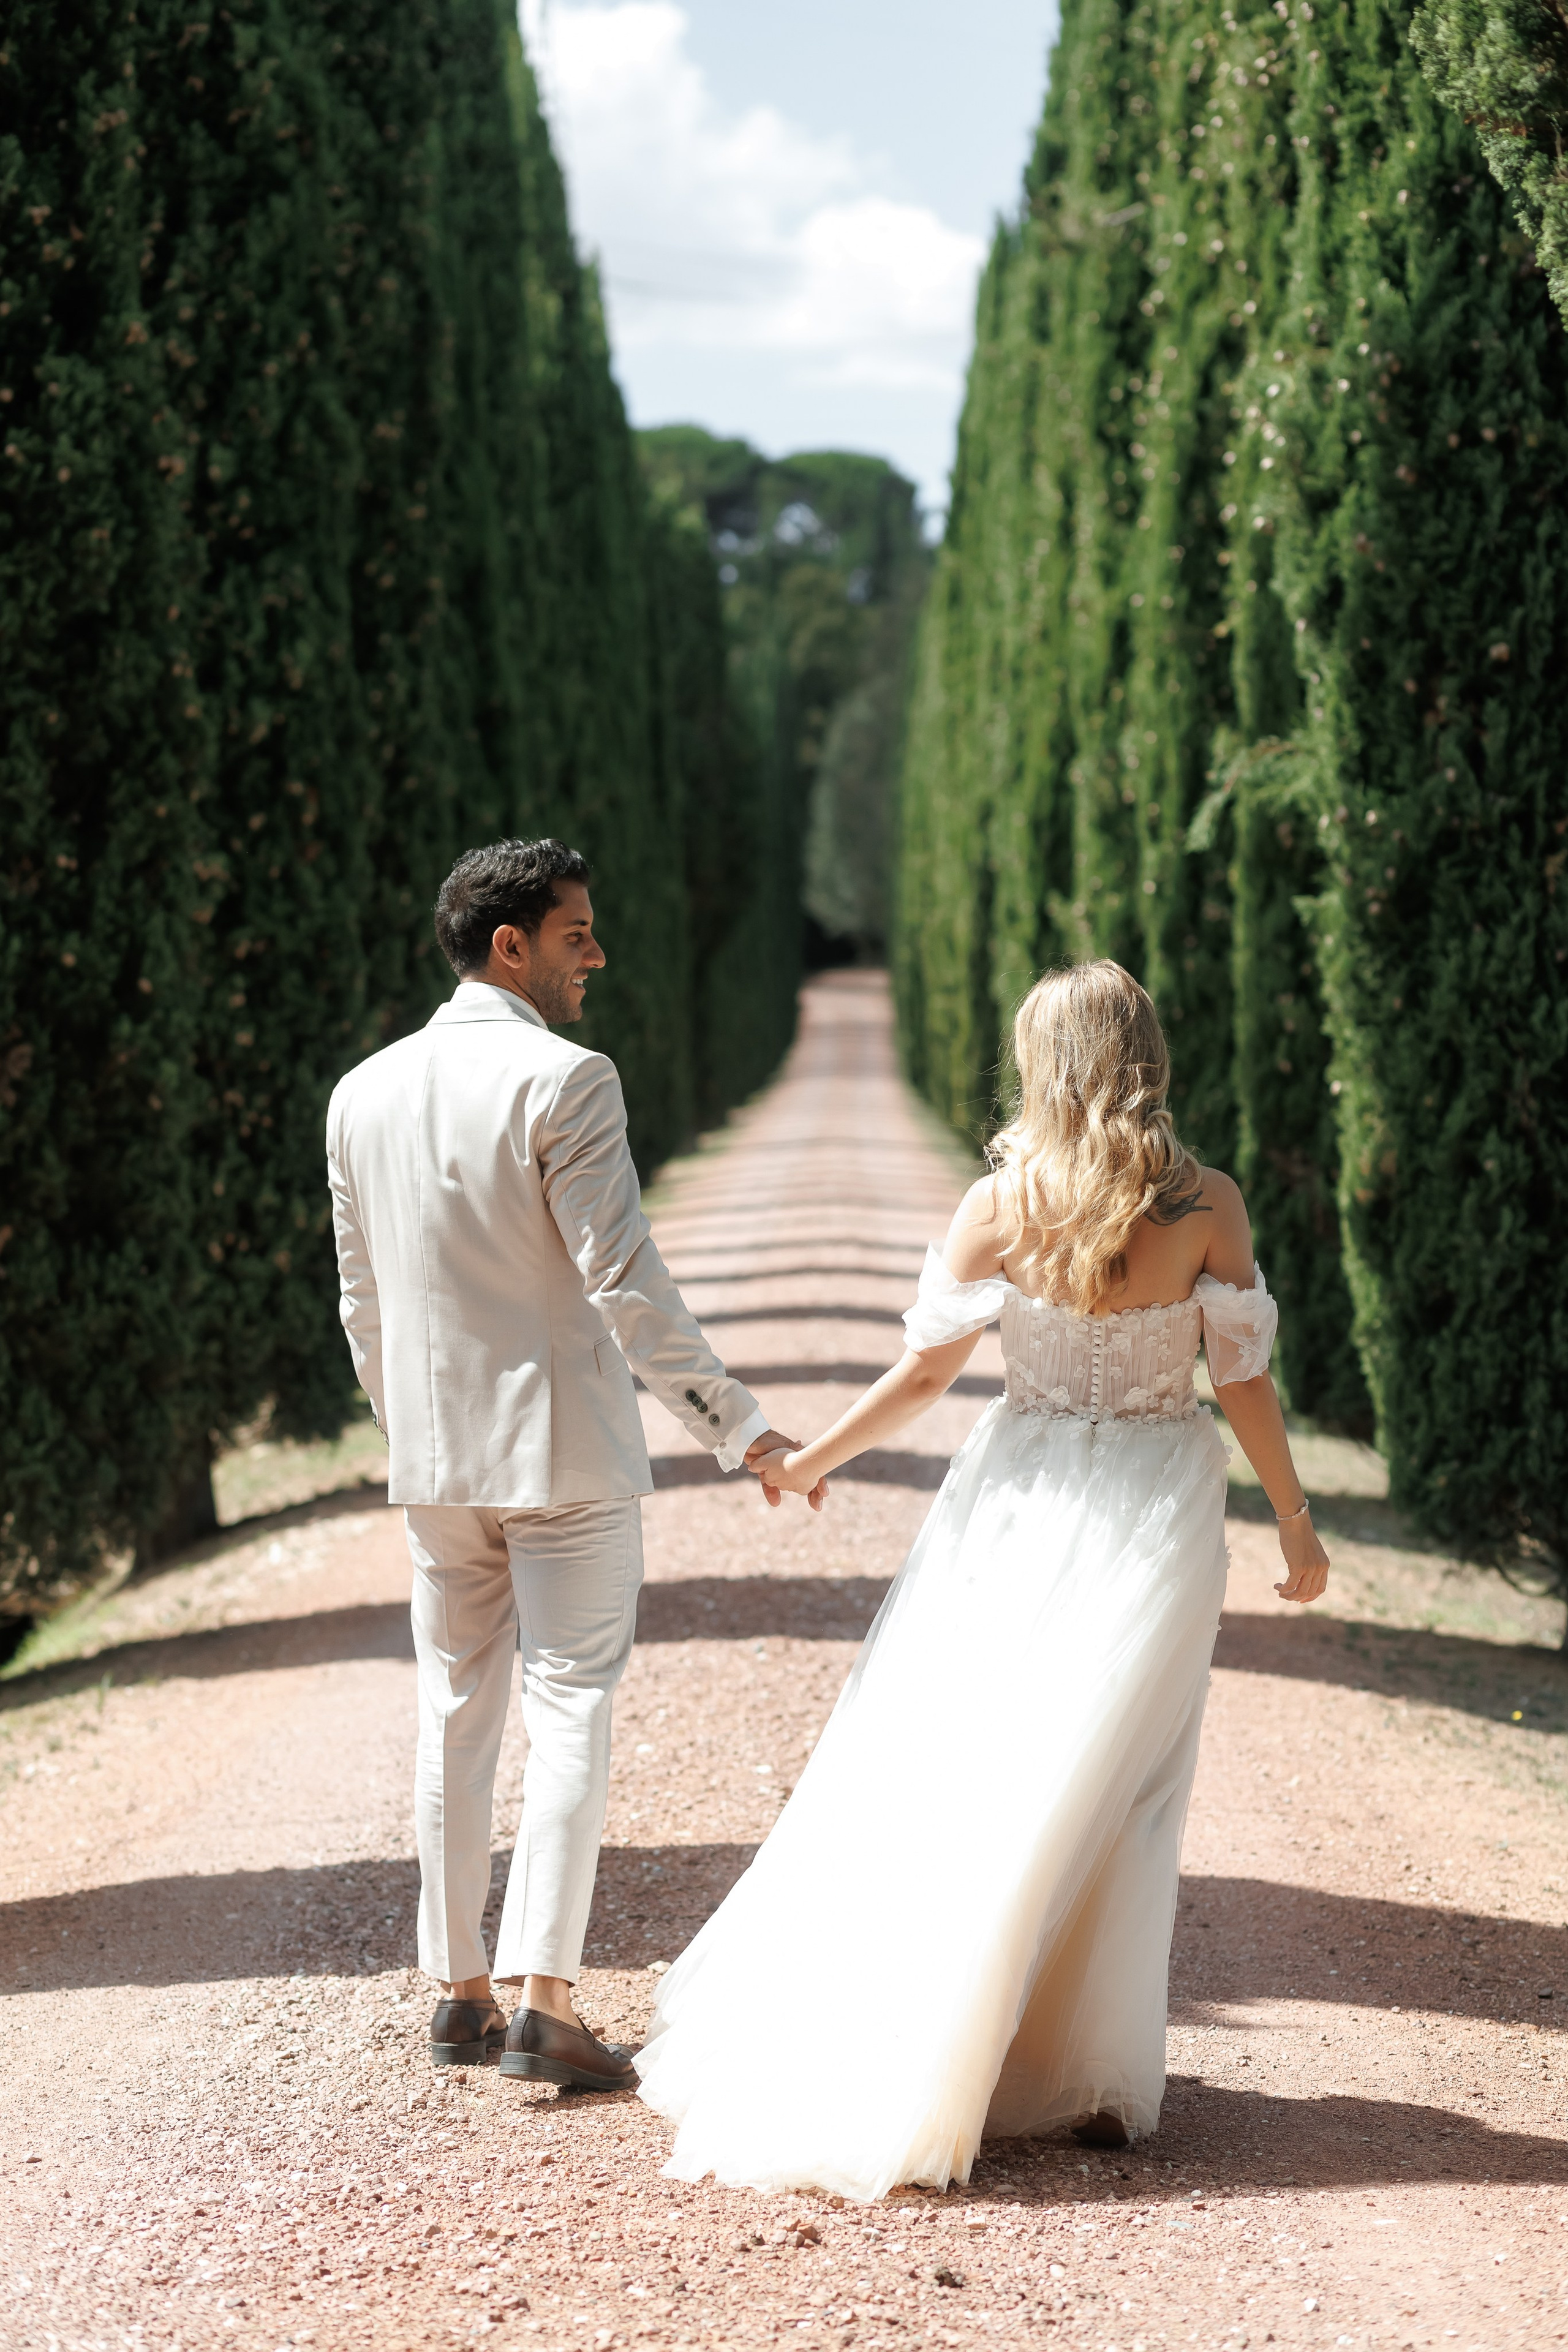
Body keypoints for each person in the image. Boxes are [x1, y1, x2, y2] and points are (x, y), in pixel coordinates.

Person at [634, 959, 1329, 2197]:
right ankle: (1093, 2076)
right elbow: (1240, 1382)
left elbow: (919, 1378)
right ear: (1145, 1056)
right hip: (1154, 1505)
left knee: (975, 1756)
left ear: (1040, 1064)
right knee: (1125, 1784)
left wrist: (807, 1463)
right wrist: (1293, 1521)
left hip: (1012, 1497)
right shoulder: (1202, 1203)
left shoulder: (996, 1205)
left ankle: (979, 2044)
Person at [325, 837, 819, 2090]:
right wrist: (737, 1425)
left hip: (433, 1465)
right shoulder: (567, 1079)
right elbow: (621, 1282)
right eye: (575, 933)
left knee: (451, 1712)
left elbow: (361, 1305)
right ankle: (545, 2000)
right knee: (569, 1709)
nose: (595, 955)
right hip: (562, 1460)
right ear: (511, 945)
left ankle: (457, 1993)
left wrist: (411, 1431)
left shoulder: (360, 1091)